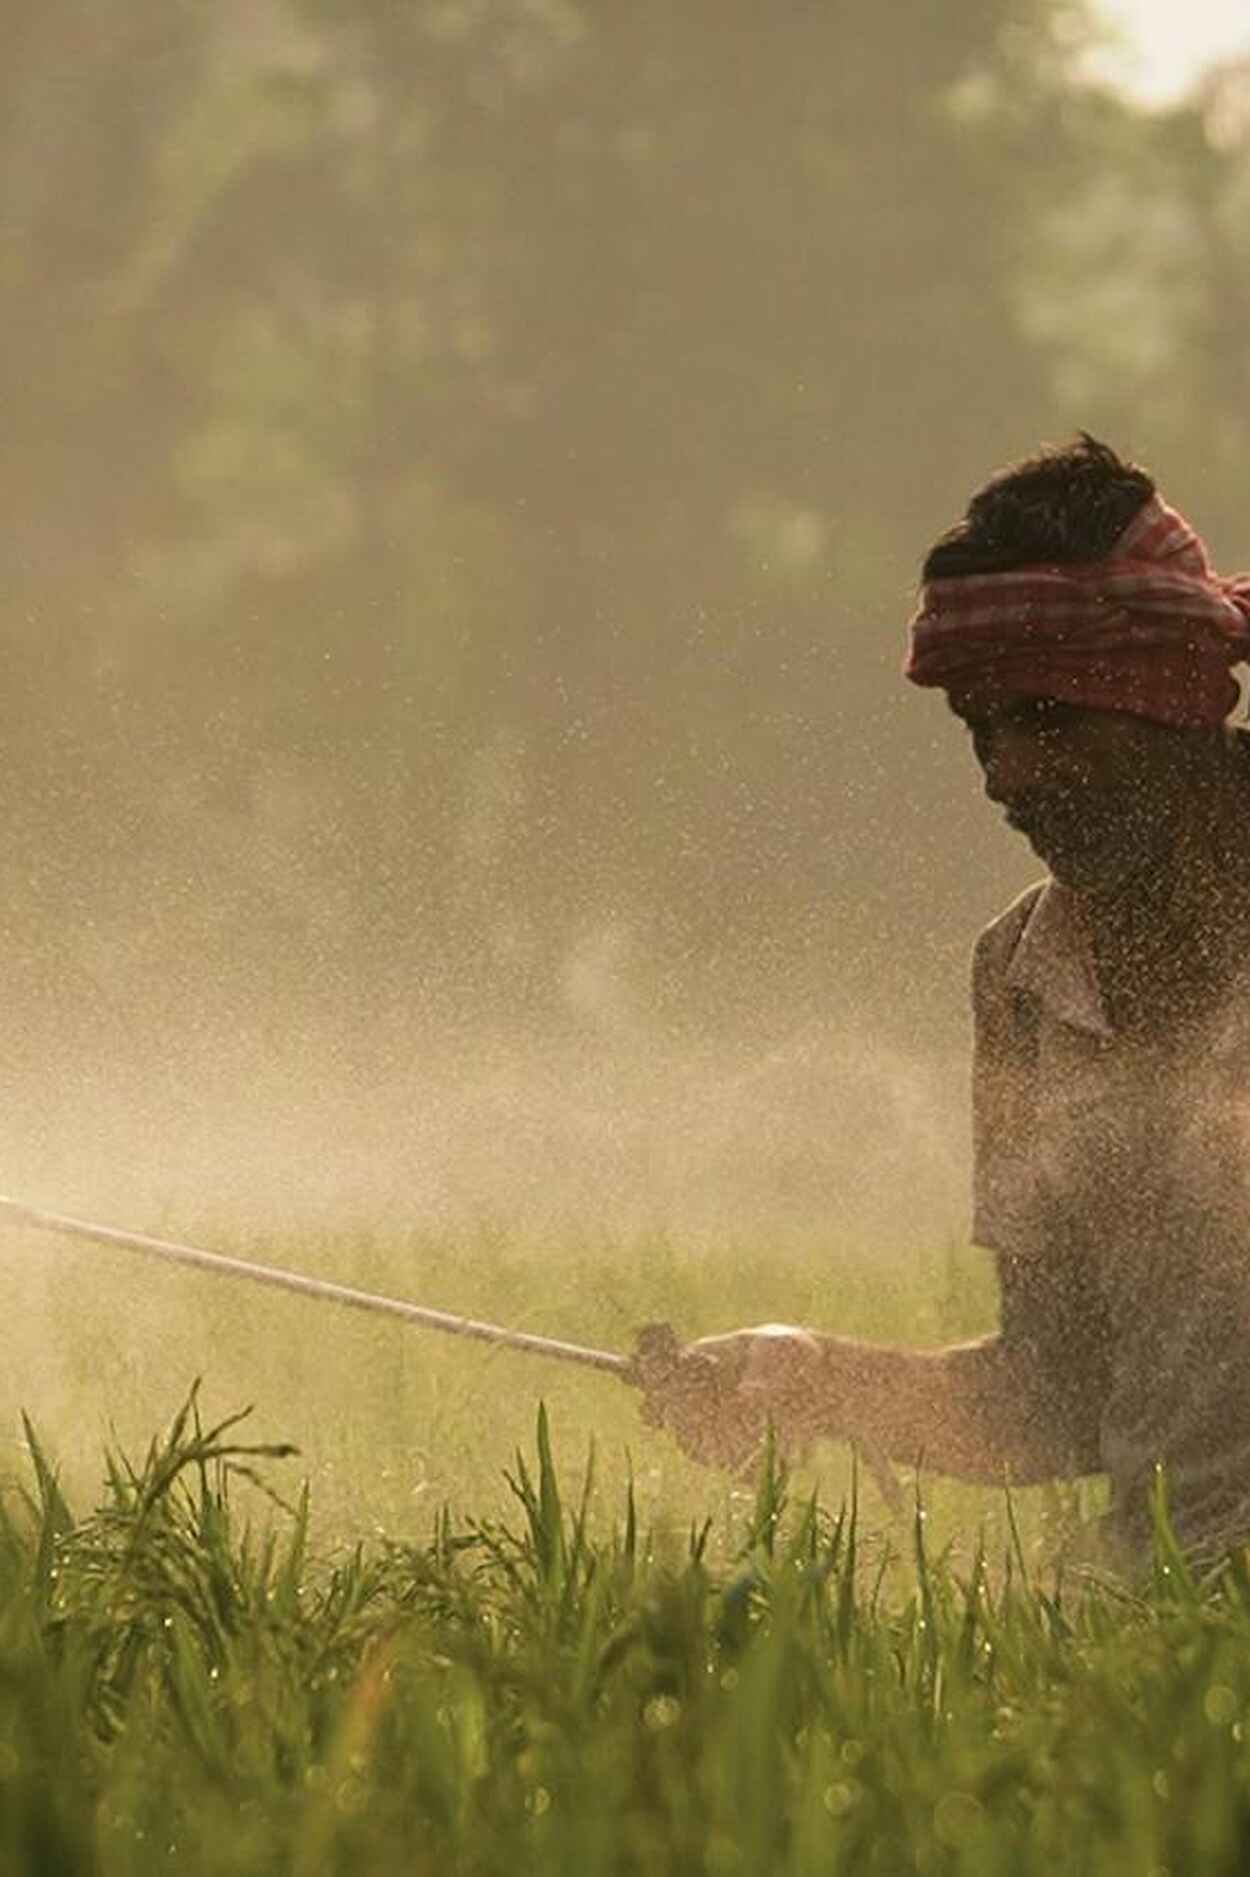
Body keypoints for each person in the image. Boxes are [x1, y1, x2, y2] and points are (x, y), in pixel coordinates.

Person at [641, 435, 1250, 1566]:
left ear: (1168, 699)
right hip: (1152, 1628)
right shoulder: (1021, 981)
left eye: (1049, 717)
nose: (1004, 776)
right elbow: (1055, 1389)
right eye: (980, 728)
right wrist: (817, 1376)